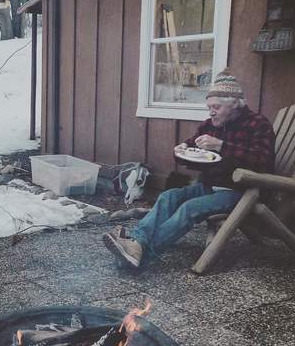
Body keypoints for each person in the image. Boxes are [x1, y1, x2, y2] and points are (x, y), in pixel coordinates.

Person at [102, 68, 276, 268]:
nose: (211, 112)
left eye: (216, 107)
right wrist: (181, 150)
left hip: (243, 192)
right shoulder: (210, 125)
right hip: (211, 186)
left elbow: (261, 160)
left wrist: (221, 146)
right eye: (209, 107)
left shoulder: (258, 124)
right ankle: (136, 242)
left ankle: (142, 253)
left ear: (235, 104)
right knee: (168, 196)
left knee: (189, 208)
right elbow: (191, 152)